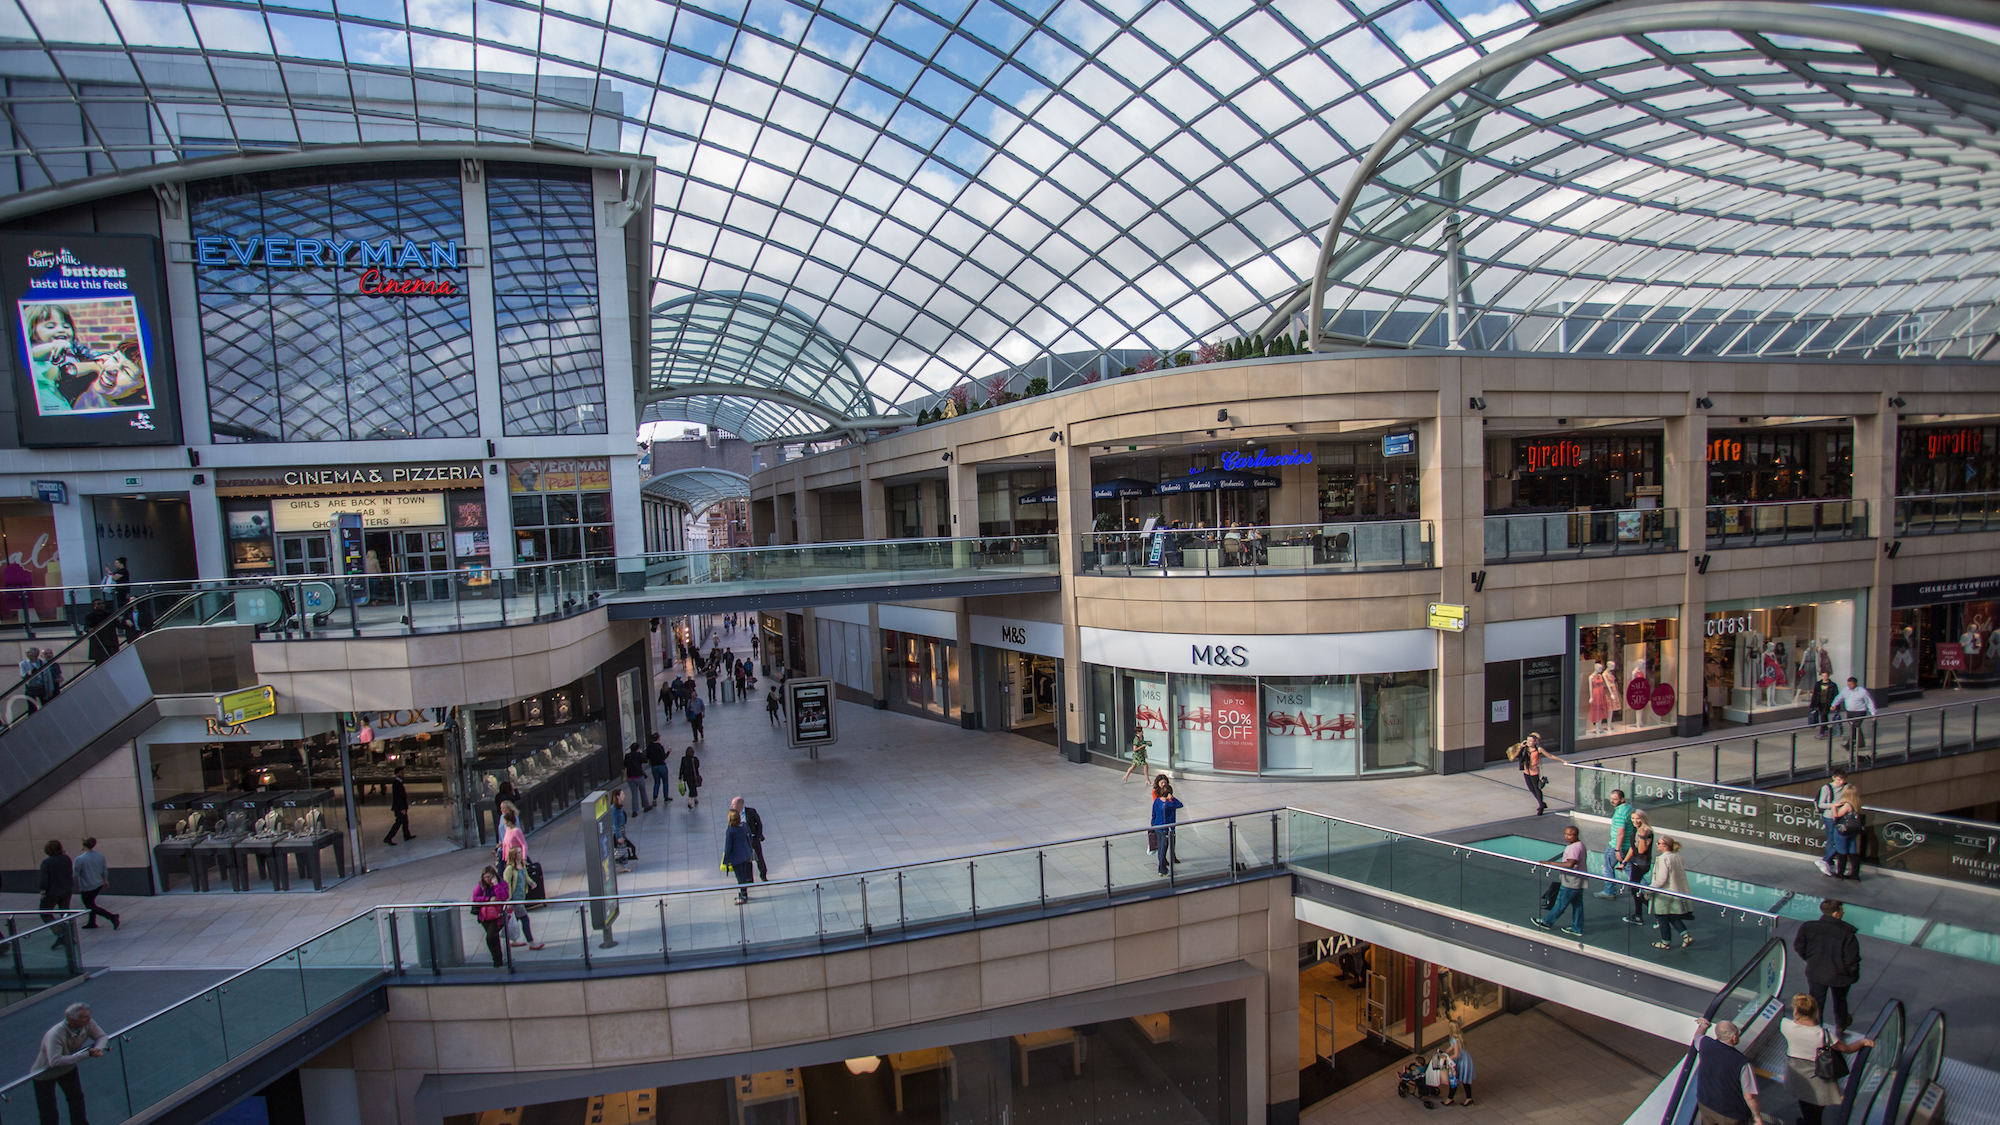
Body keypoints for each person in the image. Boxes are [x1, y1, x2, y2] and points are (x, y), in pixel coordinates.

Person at [1784, 994, 1873, 1125]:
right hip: (1819, 1076)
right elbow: (1847, 1049)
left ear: (1796, 1011)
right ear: (1815, 1012)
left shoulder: (1785, 1025)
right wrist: (1862, 1042)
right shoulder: (1823, 1035)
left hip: (1797, 1075)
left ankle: (1807, 1121)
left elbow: (1796, 1023)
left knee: (1804, 1101)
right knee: (1817, 1108)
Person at [32, 1002, 105, 1125]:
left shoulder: (88, 1023)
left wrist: (98, 1049)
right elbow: (55, 1061)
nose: (89, 1019)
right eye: (84, 1017)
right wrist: (86, 1054)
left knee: (76, 1098)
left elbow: (102, 1036)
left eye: (88, 1015)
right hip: (44, 1074)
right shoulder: (55, 1034)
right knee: (48, 1109)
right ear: (72, 1020)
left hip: (67, 1068)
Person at [1794, 899, 1862, 1034]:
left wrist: (1811, 960)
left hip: (1815, 972)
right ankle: (1841, 1024)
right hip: (1839, 976)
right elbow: (1851, 959)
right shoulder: (1847, 934)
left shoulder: (1808, 926)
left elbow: (1799, 946)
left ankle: (1816, 1028)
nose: (1843, 913)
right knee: (1840, 999)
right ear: (1836, 914)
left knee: (1816, 1001)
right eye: (1842, 911)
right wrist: (1852, 975)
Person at [1690, 1018, 1762, 1125]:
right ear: (1734, 1037)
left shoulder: (1705, 1045)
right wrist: (1757, 1118)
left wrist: (1704, 1025)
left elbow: (1697, 1037)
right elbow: (1749, 1096)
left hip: (1706, 1104)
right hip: (1731, 1114)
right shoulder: (1741, 1062)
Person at [1531, 825, 1586, 936]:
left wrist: (1550, 863)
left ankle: (1547, 922)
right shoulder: (1580, 845)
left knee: (1561, 902)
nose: (1567, 837)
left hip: (1571, 881)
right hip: (1578, 880)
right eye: (1566, 834)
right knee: (1577, 904)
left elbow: (1570, 864)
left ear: (1576, 835)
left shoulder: (1574, 848)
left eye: (1570, 835)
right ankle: (1577, 928)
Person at [1650, 835, 1694, 948]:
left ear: (1665, 846)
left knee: (1662, 916)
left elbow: (1661, 879)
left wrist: (1649, 888)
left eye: (1659, 843)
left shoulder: (1664, 859)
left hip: (1664, 894)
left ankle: (1665, 942)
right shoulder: (1677, 857)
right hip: (1676, 891)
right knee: (1672, 916)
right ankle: (1686, 936)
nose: (1657, 844)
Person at [1813, 769, 1854, 878]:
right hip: (1830, 817)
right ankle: (1827, 861)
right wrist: (1833, 805)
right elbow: (1821, 804)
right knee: (1832, 840)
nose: (1841, 782)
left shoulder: (1846, 786)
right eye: (1839, 779)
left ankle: (1828, 862)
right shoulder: (1826, 788)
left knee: (1839, 841)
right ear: (1834, 778)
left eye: (1843, 780)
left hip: (1842, 817)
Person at [502, 846, 544, 951]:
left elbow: (525, 877)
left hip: (521, 897)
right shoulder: (509, 869)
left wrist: (531, 883)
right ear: (514, 855)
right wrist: (508, 900)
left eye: (521, 852)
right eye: (519, 853)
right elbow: (506, 884)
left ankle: (513, 940)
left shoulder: (522, 865)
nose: (521, 854)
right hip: (515, 899)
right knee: (525, 919)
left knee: (514, 920)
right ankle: (532, 942)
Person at [71, 838, 118, 931]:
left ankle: (111, 916)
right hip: (98, 883)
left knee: (90, 906)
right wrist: (105, 880)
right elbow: (104, 869)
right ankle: (92, 922)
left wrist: (72, 883)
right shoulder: (100, 856)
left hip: (87, 886)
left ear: (83, 846)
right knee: (91, 903)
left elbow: (75, 874)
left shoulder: (80, 859)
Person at [1595, 788, 1632, 898]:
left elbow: (1620, 833)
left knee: (1607, 867)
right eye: (1611, 799)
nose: (1612, 801)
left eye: (1615, 799)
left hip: (1617, 846)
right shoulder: (1629, 808)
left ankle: (1609, 892)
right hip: (1628, 846)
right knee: (1630, 870)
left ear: (1622, 799)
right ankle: (1645, 889)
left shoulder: (1620, 813)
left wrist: (1617, 850)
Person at [37, 840, 73, 950]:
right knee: (65, 912)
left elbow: (44, 881)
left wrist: (43, 892)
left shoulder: (47, 863)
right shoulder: (66, 859)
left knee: (45, 913)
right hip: (66, 889)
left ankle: (61, 934)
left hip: (52, 892)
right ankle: (70, 935)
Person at [472, 865, 509, 968]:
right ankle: (497, 959)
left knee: (491, 937)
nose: (487, 880)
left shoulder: (502, 883)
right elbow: (475, 897)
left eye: (489, 877)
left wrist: (496, 885)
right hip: (485, 915)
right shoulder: (481, 885)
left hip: (497, 916)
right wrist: (488, 899)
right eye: (485, 877)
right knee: (493, 937)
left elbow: (503, 897)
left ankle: (497, 960)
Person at [1828, 778, 1864, 882]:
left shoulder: (1847, 806)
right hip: (1853, 831)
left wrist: (1834, 807)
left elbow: (1836, 818)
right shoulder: (1856, 804)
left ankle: (1840, 874)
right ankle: (1855, 875)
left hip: (1843, 832)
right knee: (1853, 851)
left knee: (1842, 852)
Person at [1621, 810, 1654, 924]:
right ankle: (1639, 914)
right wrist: (1624, 862)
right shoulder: (1637, 829)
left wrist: (1643, 837)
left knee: (1634, 890)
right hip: (1635, 863)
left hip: (1641, 864)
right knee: (1634, 889)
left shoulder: (1645, 831)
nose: (1635, 821)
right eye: (1633, 818)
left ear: (1643, 818)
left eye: (1637, 818)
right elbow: (1632, 848)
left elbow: (1641, 850)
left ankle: (1652, 912)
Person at [1149, 775, 1184, 876]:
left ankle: (1162, 867)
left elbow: (1153, 813)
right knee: (1163, 848)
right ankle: (1162, 869)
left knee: (1161, 846)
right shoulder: (1169, 804)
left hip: (1157, 827)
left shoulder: (1157, 801)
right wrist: (1172, 798)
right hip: (1166, 828)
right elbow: (1180, 804)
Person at [731, 796, 769, 881]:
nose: (732, 806)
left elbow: (758, 823)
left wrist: (758, 836)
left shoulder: (751, 812)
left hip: (753, 839)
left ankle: (763, 875)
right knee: (747, 860)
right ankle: (749, 878)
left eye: (733, 804)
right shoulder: (733, 814)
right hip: (742, 842)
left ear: (740, 805)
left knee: (759, 858)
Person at [1835, 676, 1876, 755]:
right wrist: (1834, 704)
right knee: (1855, 727)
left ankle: (1849, 745)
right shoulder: (1845, 690)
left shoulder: (1862, 692)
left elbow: (1869, 702)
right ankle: (1861, 743)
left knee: (1854, 727)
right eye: (1848, 684)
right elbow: (1839, 698)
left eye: (1851, 684)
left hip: (1860, 712)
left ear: (1855, 684)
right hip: (1850, 712)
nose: (1849, 686)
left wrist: (1873, 713)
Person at [724, 810, 755, 904]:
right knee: (743, 875)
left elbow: (728, 846)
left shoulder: (730, 830)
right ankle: (743, 893)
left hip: (736, 857)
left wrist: (726, 860)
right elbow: (750, 838)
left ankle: (743, 895)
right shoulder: (744, 826)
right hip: (745, 854)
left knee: (740, 876)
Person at [82, 599, 119, 665]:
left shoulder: (109, 615)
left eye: (102, 604)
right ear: (94, 606)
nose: (101, 605)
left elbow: (118, 623)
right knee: (100, 664)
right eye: (98, 604)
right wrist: (90, 629)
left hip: (110, 643)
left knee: (113, 663)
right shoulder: (90, 616)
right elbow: (86, 627)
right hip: (98, 644)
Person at [383, 766, 413, 845]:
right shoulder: (397, 784)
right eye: (401, 773)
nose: (403, 774)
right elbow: (398, 797)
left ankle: (407, 835)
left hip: (400, 807)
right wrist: (402, 808)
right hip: (399, 808)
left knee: (405, 822)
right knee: (398, 823)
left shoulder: (399, 783)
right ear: (397, 774)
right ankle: (388, 837)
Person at [1807, 669, 1840, 740]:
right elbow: (1815, 694)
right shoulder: (1818, 684)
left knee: (1823, 716)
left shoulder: (1832, 685)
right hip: (1820, 703)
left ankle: (1822, 732)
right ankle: (1826, 729)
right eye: (1823, 676)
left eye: (1826, 676)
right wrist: (1813, 704)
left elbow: (1836, 695)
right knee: (1823, 716)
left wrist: (1835, 706)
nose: (1824, 677)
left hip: (1827, 703)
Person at [1444, 1035, 1475, 1106]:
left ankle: (1450, 1098)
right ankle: (1468, 1098)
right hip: (1464, 1059)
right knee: (1464, 1079)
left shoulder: (1454, 1039)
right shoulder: (1458, 1036)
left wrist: (1446, 1058)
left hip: (1461, 1061)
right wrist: (1446, 1051)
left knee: (1455, 1078)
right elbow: (1454, 1046)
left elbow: (1456, 1055)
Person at [622, 742, 652, 813]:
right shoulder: (639, 755)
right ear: (637, 749)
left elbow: (625, 764)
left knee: (634, 794)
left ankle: (634, 811)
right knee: (642, 791)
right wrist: (641, 753)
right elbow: (645, 760)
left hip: (630, 778)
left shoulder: (627, 756)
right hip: (639, 776)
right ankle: (646, 806)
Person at [646, 735, 673, 808]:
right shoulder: (660, 747)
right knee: (665, 782)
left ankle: (654, 798)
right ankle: (666, 797)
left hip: (654, 766)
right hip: (661, 766)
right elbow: (663, 757)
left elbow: (647, 757)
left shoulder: (649, 747)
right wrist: (668, 752)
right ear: (658, 738)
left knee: (656, 782)